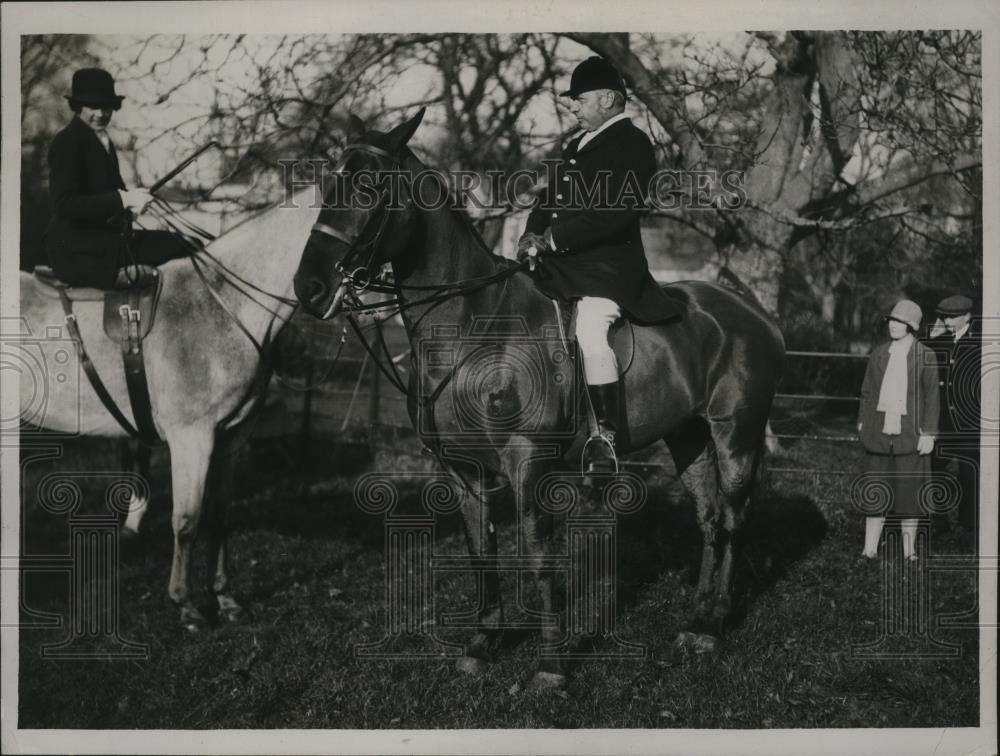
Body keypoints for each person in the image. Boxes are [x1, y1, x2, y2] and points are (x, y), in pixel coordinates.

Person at [516, 56, 682, 476]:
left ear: (608, 99)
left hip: (608, 269)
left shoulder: (633, 143)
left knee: (590, 328)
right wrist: (530, 235)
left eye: (580, 98)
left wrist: (554, 239)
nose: (573, 106)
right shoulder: (576, 145)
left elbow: (616, 212)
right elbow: (548, 200)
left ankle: (603, 438)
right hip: (562, 266)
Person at [45, 67, 195, 289]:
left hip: (103, 243)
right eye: (93, 107)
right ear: (78, 107)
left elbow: (106, 196)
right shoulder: (67, 141)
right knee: (181, 247)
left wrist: (129, 208)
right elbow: (65, 205)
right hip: (76, 251)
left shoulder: (101, 140)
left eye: (106, 106)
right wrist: (123, 200)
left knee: (188, 242)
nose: (101, 113)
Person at [857, 300, 939, 562]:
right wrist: (862, 422)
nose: (893, 325)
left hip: (910, 436)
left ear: (911, 326)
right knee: (876, 491)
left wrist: (929, 433)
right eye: (891, 320)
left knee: (909, 494)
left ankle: (908, 551)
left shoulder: (925, 355)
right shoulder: (879, 354)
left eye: (900, 322)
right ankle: (869, 549)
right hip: (879, 434)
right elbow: (867, 391)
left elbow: (932, 398)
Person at [926, 294, 981, 538]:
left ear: (967, 316)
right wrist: (931, 338)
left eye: (952, 316)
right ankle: (939, 523)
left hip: (969, 423)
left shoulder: (980, 342)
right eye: (944, 316)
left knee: (970, 472)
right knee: (935, 469)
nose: (947, 321)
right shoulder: (939, 342)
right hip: (943, 422)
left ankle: (970, 523)